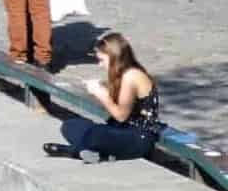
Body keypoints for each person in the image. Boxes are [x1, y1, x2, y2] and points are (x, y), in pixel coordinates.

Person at [44, 33, 165, 163]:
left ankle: (74, 151)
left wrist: (102, 94)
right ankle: (98, 153)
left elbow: (121, 116)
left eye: (102, 60)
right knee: (71, 125)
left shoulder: (132, 75)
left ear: (114, 57)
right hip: (119, 131)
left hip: (138, 137)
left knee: (97, 135)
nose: (100, 65)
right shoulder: (122, 74)